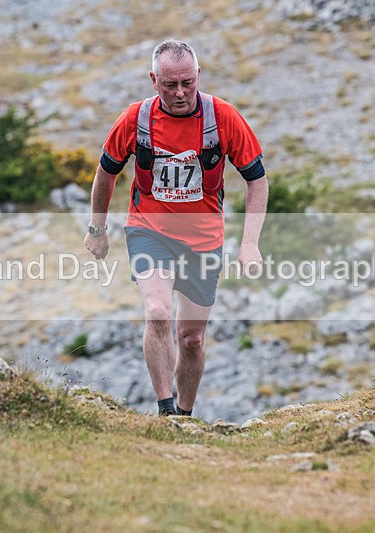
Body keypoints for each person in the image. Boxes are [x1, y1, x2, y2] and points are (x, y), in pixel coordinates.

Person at [84, 38, 268, 417]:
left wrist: (250, 243)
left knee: (192, 338)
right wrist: (97, 229)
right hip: (149, 230)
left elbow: (257, 181)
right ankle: (165, 412)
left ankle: (185, 415)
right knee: (157, 312)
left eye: (188, 82)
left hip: (204, 239)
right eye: (170, 85)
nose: (181, 93)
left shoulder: (223, 117)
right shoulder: (135, 119)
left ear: (198, 75)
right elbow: (106, 173)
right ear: (154, 80)